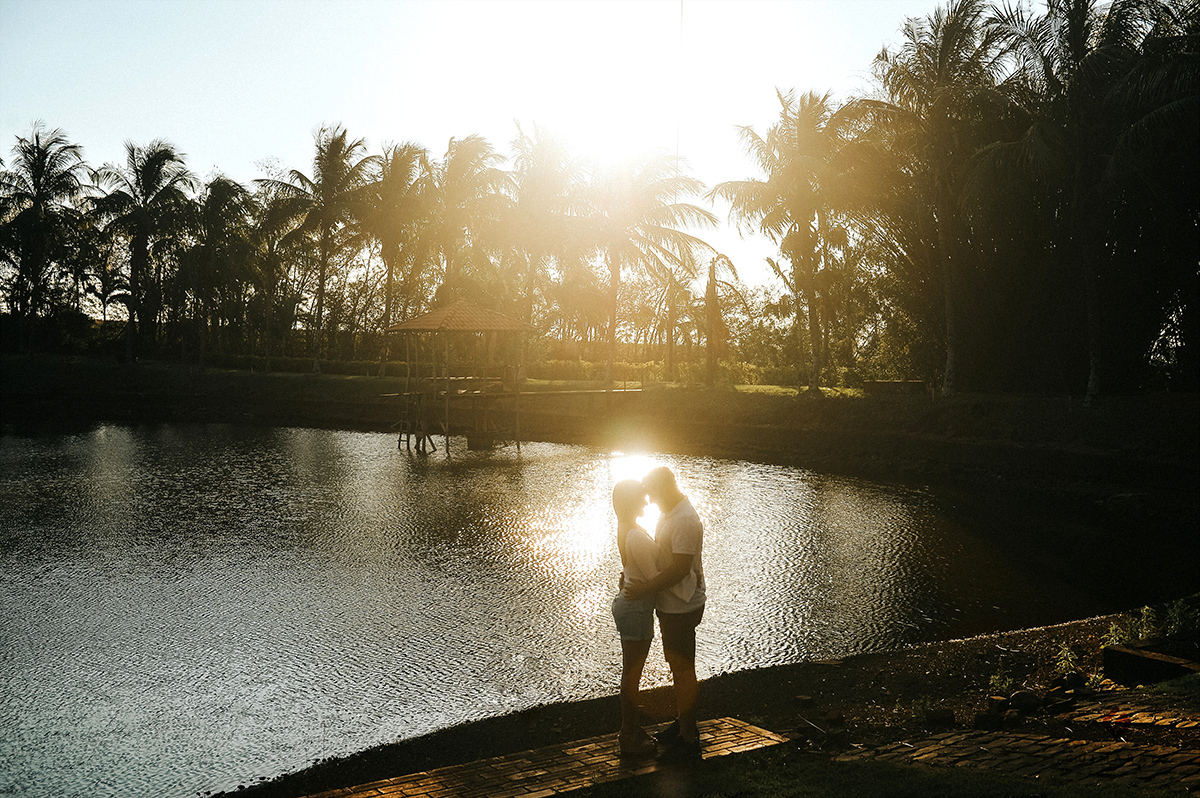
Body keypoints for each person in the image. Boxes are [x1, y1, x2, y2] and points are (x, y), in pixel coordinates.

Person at [624, 466, 706, 762]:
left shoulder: (684, 519)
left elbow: (680, 568)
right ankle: (683, 724)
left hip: (682, 606)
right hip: (671, 605)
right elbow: (661, 556)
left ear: (666, 488)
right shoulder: (670, 513)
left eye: (653, 495)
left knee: (684, 669)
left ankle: (688, 738)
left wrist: (645, 589)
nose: (651, 502)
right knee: (677, 666)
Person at [609, 478, 660, 756]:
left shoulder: (626, 529)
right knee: (632, 674)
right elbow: (654, 578)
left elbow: (633, 568)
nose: (646, 500)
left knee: (631, 673)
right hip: (636, 609)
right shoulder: (635, 535)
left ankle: (631, 729)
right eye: (641, 496)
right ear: (631, 500)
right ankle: (628, 734)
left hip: (632, 606)